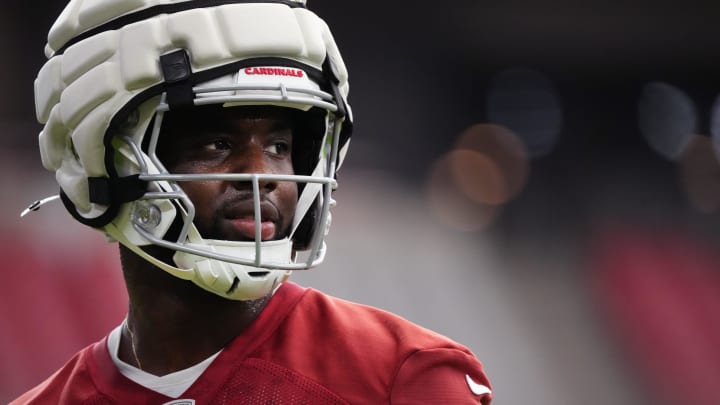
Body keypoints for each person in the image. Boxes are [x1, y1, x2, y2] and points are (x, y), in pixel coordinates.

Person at [13, 0, 493, 403]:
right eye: (216, 145)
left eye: (280, 147)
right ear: (103, 159)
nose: (263, 177)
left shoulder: (406, 379)